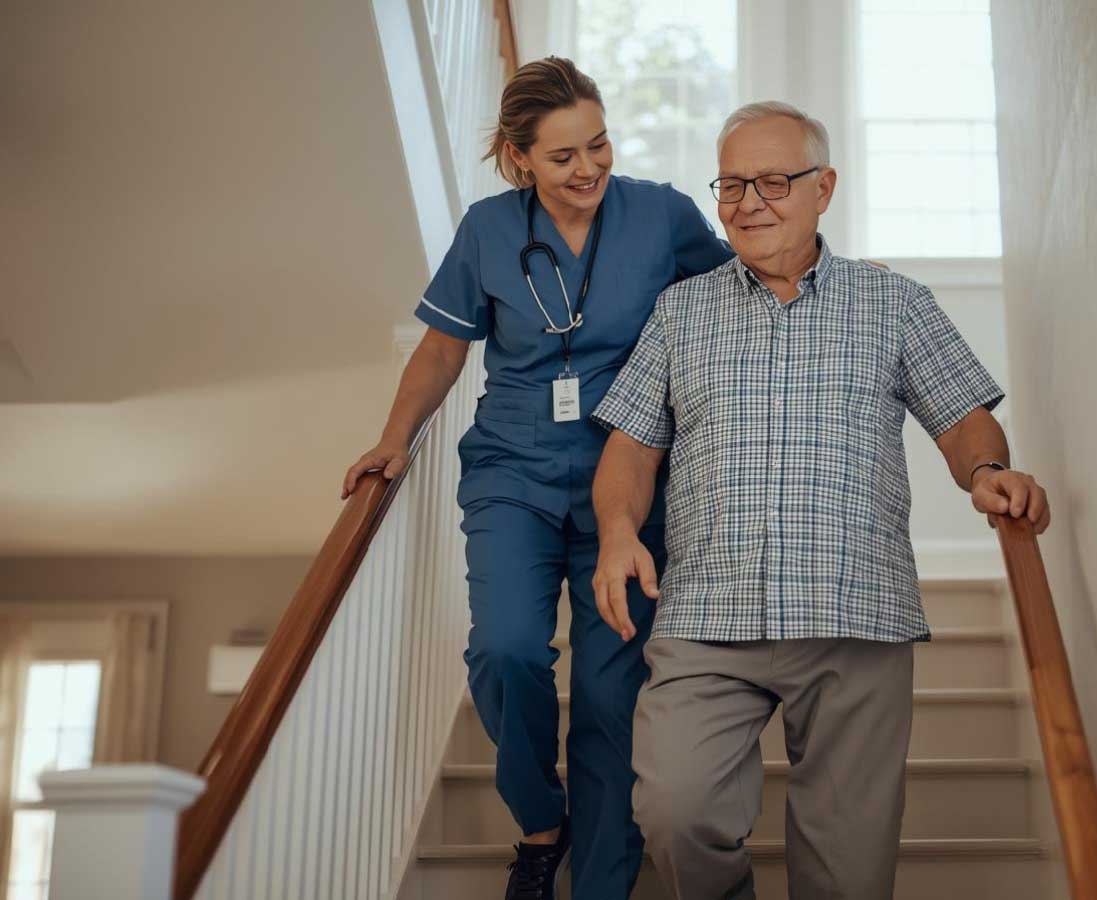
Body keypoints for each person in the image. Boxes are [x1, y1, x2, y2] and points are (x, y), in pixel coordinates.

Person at [589, 100, 1051, 900]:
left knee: (849, 873)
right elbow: (630, 445)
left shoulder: (895, 302)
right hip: (707, 617)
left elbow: (963, 423)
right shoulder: (681, 311)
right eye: (731, 185)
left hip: (856, 615)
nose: (749, 202)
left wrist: (986, 476)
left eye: (773, 180)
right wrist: (618, 528)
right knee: (675, 810)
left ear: (824, 188)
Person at [341, 57, 733, 900]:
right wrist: (393, 439)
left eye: (598, 145)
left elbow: (735, 291)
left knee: (607, 692)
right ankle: (540, 822)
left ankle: (599, 886)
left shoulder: (661, 215)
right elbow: (446, 346)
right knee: (508, 650)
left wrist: (839, 277)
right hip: (513, 468)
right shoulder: (488, 229)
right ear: (520, 158)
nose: (588, 168)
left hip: (628, 478)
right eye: (562, 157)